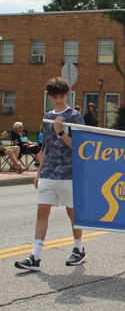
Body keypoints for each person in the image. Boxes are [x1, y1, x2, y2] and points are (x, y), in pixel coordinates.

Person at [14, 77, 86, 272]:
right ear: (50, 97)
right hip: (49, 171)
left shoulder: (75, 116)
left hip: (70, 172)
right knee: (42, 212)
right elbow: (46, 146)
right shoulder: (47, 116)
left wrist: (61, 132)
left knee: (73, 213)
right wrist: (39, 172)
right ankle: (35, 256)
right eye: (55, 96)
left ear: (67, 95)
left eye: (62, 96)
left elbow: (81, 147)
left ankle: (78, 248)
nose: (58, 100)